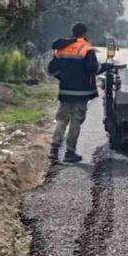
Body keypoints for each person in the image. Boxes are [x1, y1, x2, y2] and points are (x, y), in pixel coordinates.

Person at [48, 23, 112, 162]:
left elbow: (52, 69)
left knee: (62, 120)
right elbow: (93, 68)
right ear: (84, 33)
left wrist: (63, 78)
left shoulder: (61, 47)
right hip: (81, 93)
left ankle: (54, 150)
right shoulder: (86, 48)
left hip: (65, 91)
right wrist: (107, 66)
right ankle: (70, 153)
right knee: (76, 121)